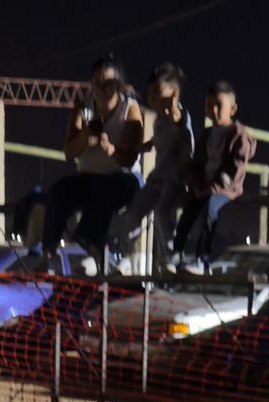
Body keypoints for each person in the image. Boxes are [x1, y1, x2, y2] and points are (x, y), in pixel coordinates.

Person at [39, 57, 143, 268]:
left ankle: (91, 243)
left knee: (106, 190)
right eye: (97, 82)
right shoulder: (82, 106)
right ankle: (48, 252)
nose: (103, 88)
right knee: (59, 190)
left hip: (122, 179)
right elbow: (69, 152)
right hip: (88, 178)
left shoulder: (129, 109)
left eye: (108, 83)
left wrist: (109, 148)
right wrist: (85, 136)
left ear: (118, 85)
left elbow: (130, 157)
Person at [110, 62, 194, 269]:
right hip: (157, 178)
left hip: (174, 181)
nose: (152, 100)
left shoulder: (179, 117)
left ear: (174, 95)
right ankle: (128, 256)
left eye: (157, 94)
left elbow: (185, 142)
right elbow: (156, 142)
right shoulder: (158, 121)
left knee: (162, 212)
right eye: (150, 95)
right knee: (130, 216)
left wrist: (190, 178)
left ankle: (173, 259)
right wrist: (140, 147)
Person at [174, 80, 257, 270]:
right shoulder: (207, 134)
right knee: (189, 209)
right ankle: (177, 253)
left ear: (233, 109)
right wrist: (195, 183)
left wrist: (212, 188)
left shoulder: (238, 135)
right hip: (205, 185)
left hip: (227, 188)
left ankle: (203, 258)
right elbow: (198, 163)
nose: (214, 110)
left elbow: (233, 168)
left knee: (210, 209)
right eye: (209, 105)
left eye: (219, 105)